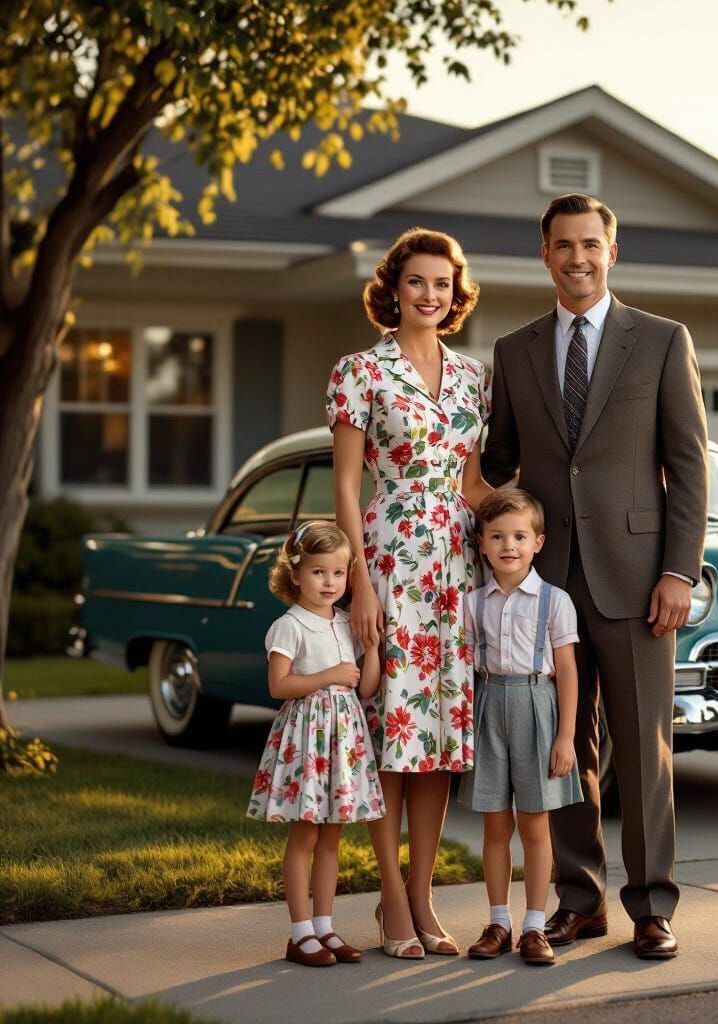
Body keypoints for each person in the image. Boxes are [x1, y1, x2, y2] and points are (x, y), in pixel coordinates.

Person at [482, 194, 709, 959]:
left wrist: (679, 569)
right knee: (563, 743)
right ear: (543, 254)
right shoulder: (514, 351)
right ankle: (580, 901)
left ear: (612, 252)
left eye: (590, 244)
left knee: (644, 749)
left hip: (642, 580)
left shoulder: (662, 340)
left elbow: (687, 464)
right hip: (548, 585)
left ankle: (651, 906)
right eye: (563, 245)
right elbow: (498, 463)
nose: (577, 257)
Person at [328, 228, 491, 959]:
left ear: (456, 296)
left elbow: (471, 483)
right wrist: (360, 582)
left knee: (438, 744)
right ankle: (391, 903)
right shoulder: (359, 372)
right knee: (392, 741)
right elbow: (344, 486)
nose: (431, 295)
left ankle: (423, 900)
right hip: (390, 563)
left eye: (443, 285)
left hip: (456, 572)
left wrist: (526, 525)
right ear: (394, 289)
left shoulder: (473, 378)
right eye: (417, 282)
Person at [247, 520, 384, 967]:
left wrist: (373, 648)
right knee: (304, 836)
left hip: (342, 741)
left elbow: (365, 689)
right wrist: (328, 677)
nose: (329, 582)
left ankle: (325, 927)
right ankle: (300, 933)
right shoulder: (290, 626)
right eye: (318, 572)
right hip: (307, 740)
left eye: (338, 573)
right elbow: (278, 686)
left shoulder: (346, 622)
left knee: (332, 840)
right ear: (296, 574)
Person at [459, 488, 582, 966]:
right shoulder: (473, 603)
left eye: (518, 536)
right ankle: (497, 922)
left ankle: (534, 926)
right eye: (497, 536)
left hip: (537, 706)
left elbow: (567, 670)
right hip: (489, 704)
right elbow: (466, 668)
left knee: (535, 825)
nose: (508, 545)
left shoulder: (555, 602)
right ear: (482, 545)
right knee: (495, 825)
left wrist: (566, 735)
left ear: (538, 542)